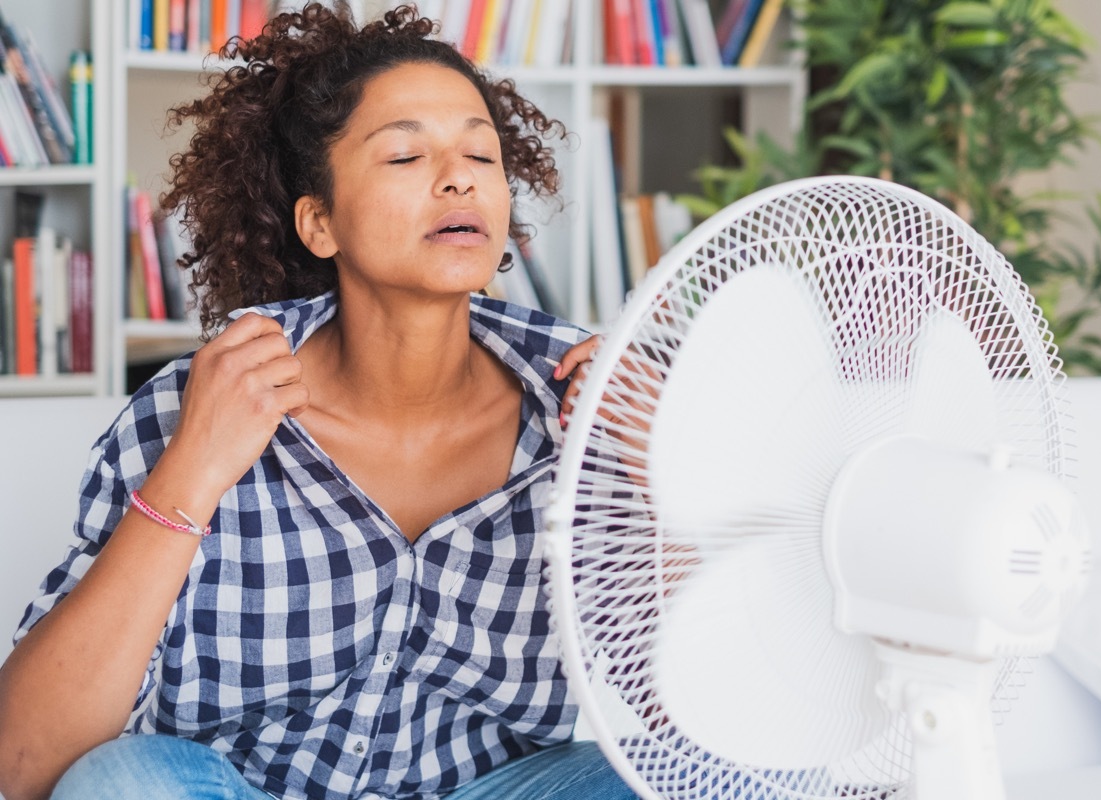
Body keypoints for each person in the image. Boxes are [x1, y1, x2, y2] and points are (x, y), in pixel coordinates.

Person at [0, 5, 629, 800]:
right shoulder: (203, 405)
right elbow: (21, 765)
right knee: (126, 781)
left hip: (494, 789)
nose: (459, 175)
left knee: (683, 776)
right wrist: (193, 470)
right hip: (239, 790)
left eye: (481, 152)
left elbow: (720, 684)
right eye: (406, 154)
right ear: (320, 223)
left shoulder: (585, 405)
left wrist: (664, 472)